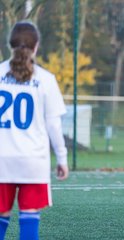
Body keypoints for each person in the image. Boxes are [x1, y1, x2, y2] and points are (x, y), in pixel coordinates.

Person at [0, 21, 69, 240]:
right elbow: (53, 125)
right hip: (33, 161)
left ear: (10, 44)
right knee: (29, 220)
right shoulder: (46, 79)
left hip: (1, 160)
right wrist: (62, 158)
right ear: (36, 46)